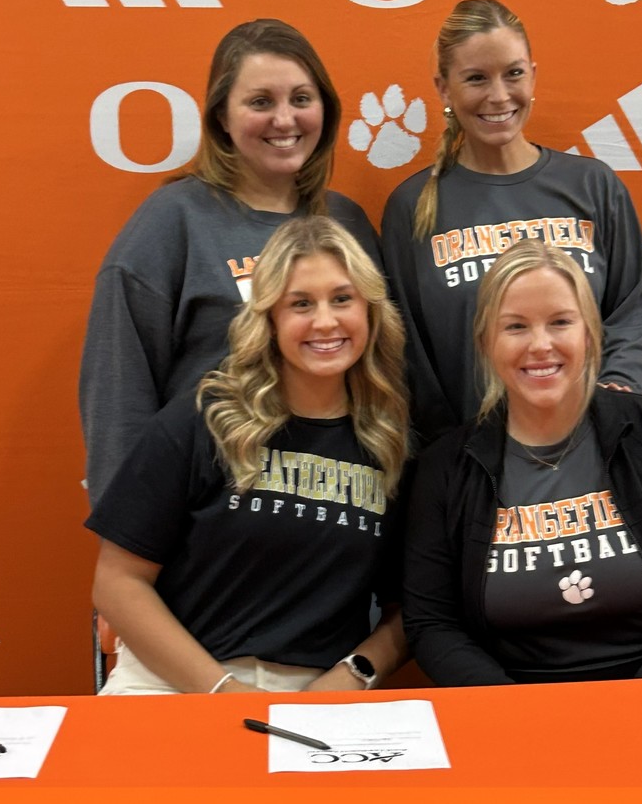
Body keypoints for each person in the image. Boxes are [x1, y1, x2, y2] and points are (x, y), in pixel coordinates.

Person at [85, 217, 409, 694]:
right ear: (270, 318)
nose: (325, 321)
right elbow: (117, 582)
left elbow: (413, 608)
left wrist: (353, 675)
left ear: (370, 312)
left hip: (316, 693)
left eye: (342, 299)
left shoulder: (391, 444)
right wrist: (220, 691)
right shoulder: (203, 419)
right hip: (172, 680)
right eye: (301, 304)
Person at [402, 239, 642, 686]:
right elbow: (433, 625)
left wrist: (641, 701)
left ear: (590, 332)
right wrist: (518, 713)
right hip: (517, 714)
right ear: (485, 341)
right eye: (516, 327)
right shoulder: (445, 466)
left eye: (560, 322)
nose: (541, 345)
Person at [80, 18, 381, 506]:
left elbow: (385, 376)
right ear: (221, 115)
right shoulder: (171, 223)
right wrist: (130, 535)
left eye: (301, 99)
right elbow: (119, 397)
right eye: (261, 102)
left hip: (341, 509)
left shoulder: (348, 223)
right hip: (214, 515)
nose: (285, 120)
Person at [382, 0, 642, 445]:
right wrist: (453, 455)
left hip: (593, 446)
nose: (499, 96)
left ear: (534, 73)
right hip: (472, 461)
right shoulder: (412, 207)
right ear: (444, 89)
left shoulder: (593, 187)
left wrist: (614, 398)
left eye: (513, 73)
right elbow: (407, 352)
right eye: (476, 78)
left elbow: (631, 309)